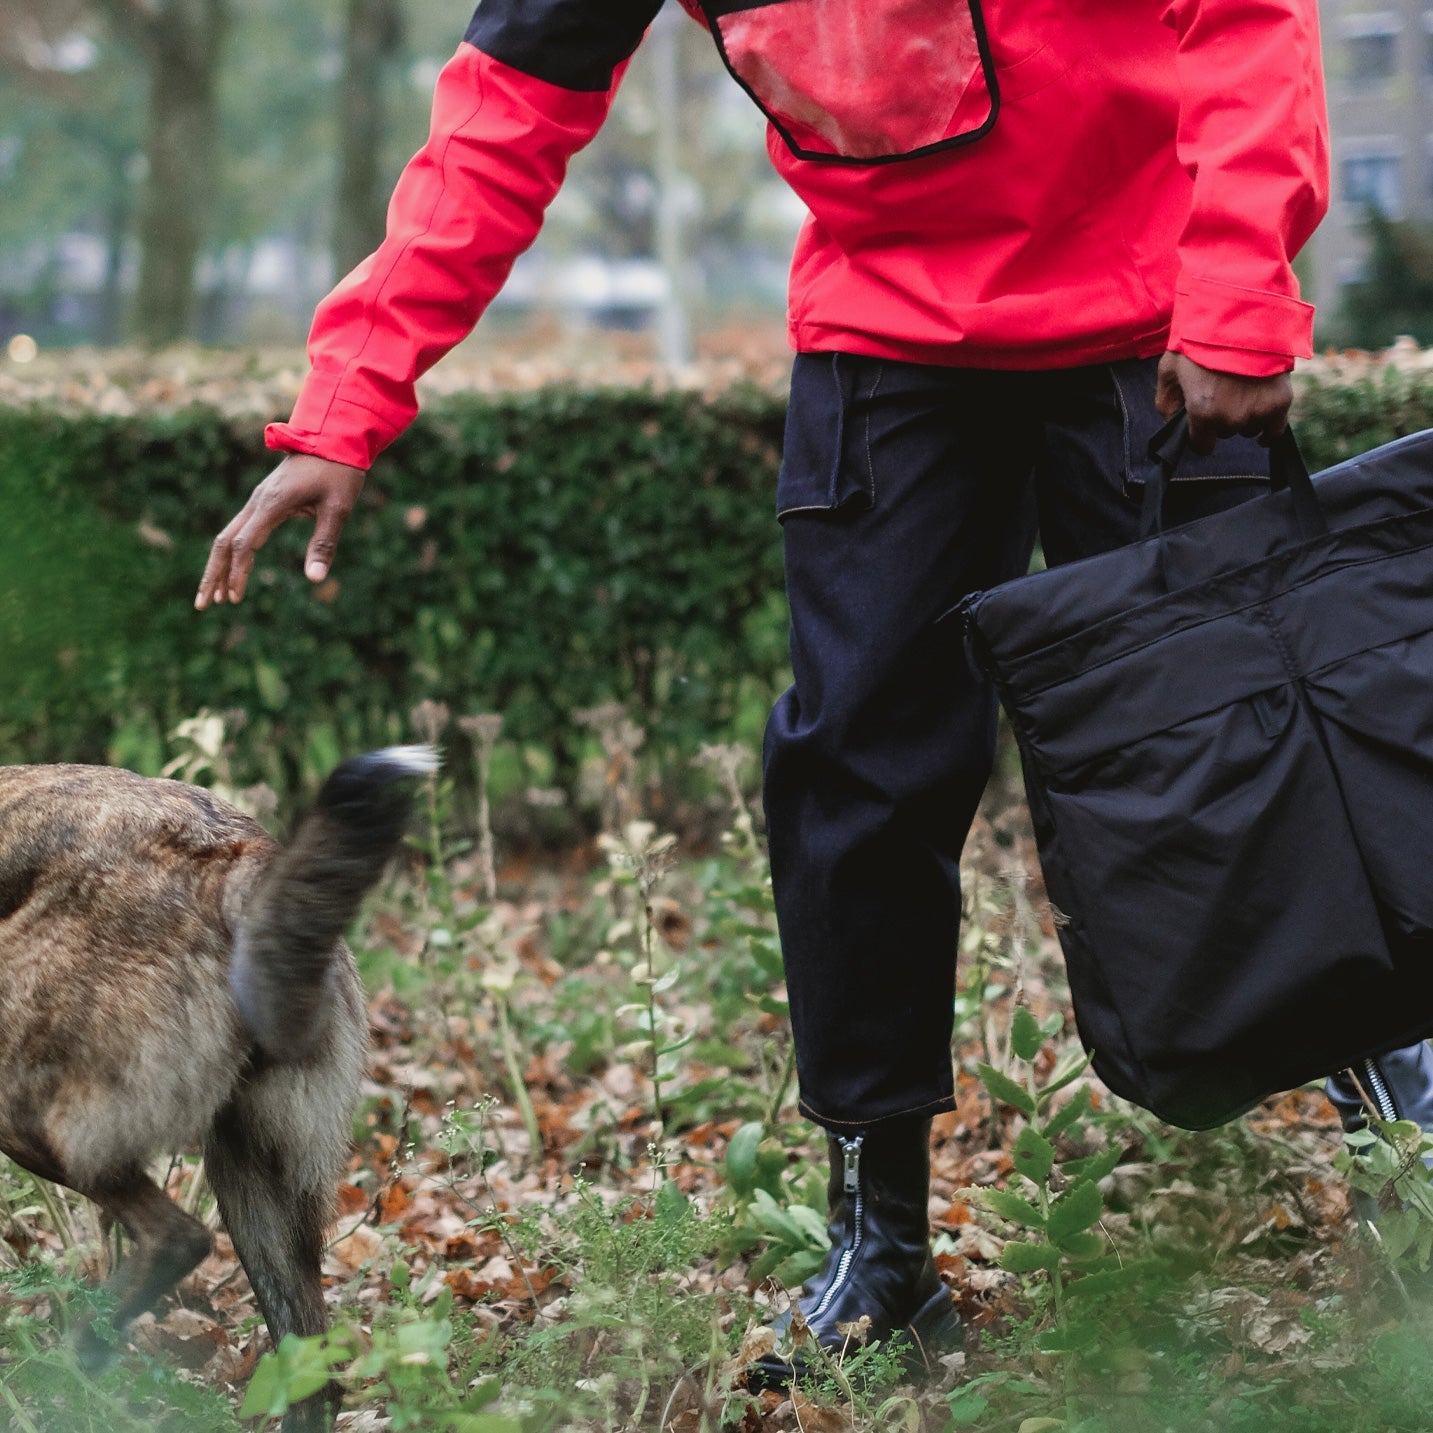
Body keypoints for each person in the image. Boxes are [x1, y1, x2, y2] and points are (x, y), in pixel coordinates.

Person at [196, 0, 1433, 1385]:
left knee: (1255, 748)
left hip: (1155, 322)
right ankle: (879, 1240)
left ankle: (1410, 1146)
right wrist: (345, 402)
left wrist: (1237, 299)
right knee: (850, 779)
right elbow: (501, 121)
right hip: (884, 343)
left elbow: (1244, 20)